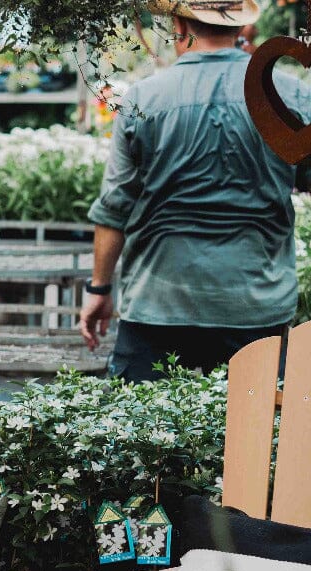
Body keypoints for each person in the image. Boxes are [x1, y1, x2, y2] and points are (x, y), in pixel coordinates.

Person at [80, 0, 311, 380]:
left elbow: (114, 209)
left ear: (179, 26)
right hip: (255, 303)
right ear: (240, 27)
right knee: (253, 434)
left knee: (144, 433)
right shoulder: (289, 95)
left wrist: (99, 289)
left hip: (160, 301)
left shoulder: (142, 100)